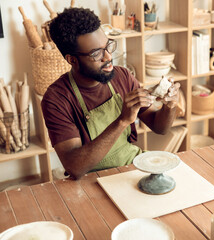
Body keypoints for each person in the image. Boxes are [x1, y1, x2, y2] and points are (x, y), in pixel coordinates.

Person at [41, 7, 180, 180]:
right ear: (72, 60)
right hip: (90, 179)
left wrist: (170, 106)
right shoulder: (57, 99)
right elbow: (75, 167)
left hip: (131, 165)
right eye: (96, 53)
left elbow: (160, 128)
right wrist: (122, 121)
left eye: (107, 46)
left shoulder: (122, 76)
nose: (108, 57)